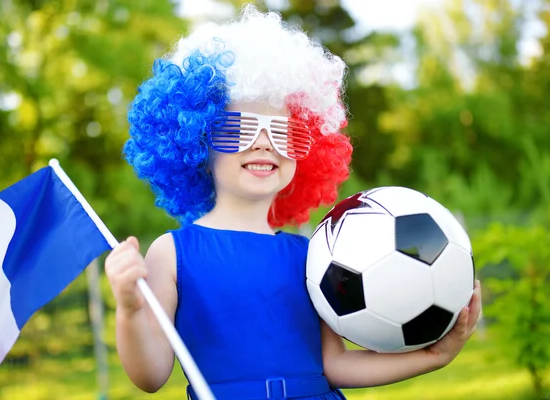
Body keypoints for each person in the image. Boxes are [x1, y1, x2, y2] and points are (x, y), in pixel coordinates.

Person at [104, 4, 482, 399]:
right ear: (197, 143)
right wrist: (130, 309)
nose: (265, 142)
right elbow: (150, 375)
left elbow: (335, 365)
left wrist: (434, 356)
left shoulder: (317, 255)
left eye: (286, 133)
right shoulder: (172, 253)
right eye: (239, 128)